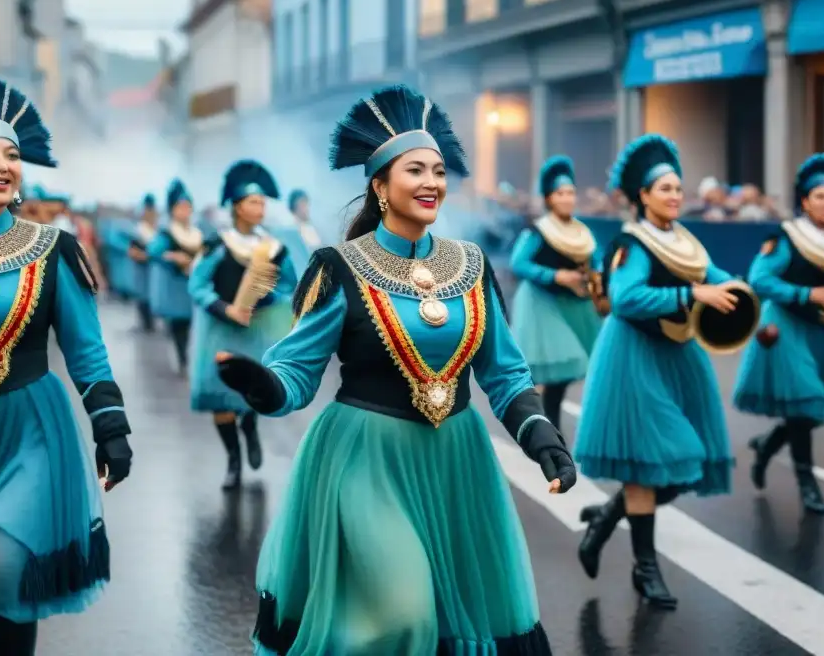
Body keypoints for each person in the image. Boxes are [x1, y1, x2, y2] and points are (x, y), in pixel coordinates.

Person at [215, 85, 575, 654]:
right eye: (415, 170)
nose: (432, 181)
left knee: (448, 627)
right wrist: (263, 385)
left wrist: (541, 434)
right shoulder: (338, 267)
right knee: (400, 616)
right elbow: (297, 370)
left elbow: (504, 372)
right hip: (365, 461)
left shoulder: (471, 265)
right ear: (380, 185)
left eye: (438, 170)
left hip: (457, 463)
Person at [0, 72, 133, 656]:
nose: (2, 164)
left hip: (30, 431)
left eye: (12, 154)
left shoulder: (54, 248)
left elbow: (86, 351)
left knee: (9, 566)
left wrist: (110, 426)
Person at [572, 134, 736, 610]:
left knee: (686, 462)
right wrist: (691, 295)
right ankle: (646, 568)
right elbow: (624, 299)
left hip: (678, 356)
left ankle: (604, 520)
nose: (675, 196)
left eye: (678, 189)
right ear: (644, 196)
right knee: (653, 464)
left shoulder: (686, 241)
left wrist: (742, 296)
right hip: (636, 357)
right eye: (665, 189)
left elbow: (717, 277)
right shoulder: (633, 244)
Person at [732, 154, 824, 515]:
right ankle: (807, 484)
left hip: (823, 333)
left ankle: (768, 445)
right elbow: (760, 279)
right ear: (804, 202)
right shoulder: (787, 237)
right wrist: (806, 294)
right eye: (820, 197)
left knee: (810, 413)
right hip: (786, 327)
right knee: (806, 403)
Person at [188, 161, 297, 490]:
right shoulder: (218, 245)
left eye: (263, 202)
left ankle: (249, 428)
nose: (260, 208)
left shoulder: (275, 248)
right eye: (253, 202)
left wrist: (264, 299)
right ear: (236, 207)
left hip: (255, 329)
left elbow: (290, 284)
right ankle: (233, 460)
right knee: (220, 395)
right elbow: (197, 286)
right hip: (221, 330)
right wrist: (226, 309)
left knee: (248, 390)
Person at [509, 155, 603, 431]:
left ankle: (548, 427)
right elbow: (519, 263)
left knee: (564, 377)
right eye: (561, 193)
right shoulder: (539, 230)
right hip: (543, 304)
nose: (567, 198)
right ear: (550, 198)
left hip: (575, 305)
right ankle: (549, 430)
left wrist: (595, 278)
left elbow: (595, 260)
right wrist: (556, 275)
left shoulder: (582, 231)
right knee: (558, 370)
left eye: (571, 193)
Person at [147, 179, 201, 373]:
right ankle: (182, 359)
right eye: (181, 207)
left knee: (189, 325)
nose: (185, 211)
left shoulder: (196, 233)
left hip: (192, 286)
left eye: (188, 207)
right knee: (179, 325)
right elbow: (153, 251)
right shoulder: (167, 233)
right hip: (175, 287)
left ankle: (185, 357)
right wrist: (172, 257)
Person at [127, 194, 159, 331]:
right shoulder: (139, 230)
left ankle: (151, 323)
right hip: (142, 269)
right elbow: (132, 252)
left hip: (153, 269)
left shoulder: (156, 230)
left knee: (152, 295)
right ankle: (146, 324)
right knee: (143, 296)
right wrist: (147, 256)